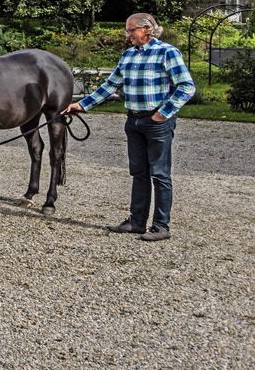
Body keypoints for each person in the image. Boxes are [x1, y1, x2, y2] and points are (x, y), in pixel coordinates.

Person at [64, 13, 195, 242]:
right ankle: (136, 221)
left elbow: (186, 86)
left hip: (157, 122)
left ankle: (160, 226)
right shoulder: (127, 56)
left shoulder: (167, 52)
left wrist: (163, 113)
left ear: (146, 29)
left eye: (131, 30)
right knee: (138, 173)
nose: (127, 35)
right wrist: (82, 105)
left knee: (160, 174)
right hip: (133, 120)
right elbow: (110, 86)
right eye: (127, 30)